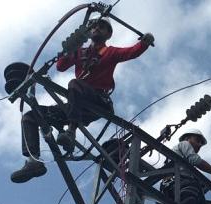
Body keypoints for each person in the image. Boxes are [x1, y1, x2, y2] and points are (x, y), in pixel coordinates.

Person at [11, 18, 155, 183]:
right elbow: (61, 66)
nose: (96, 29)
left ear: (108, 34)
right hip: (77, 103)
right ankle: (33, 161)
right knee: (31, 116)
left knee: (75, 84)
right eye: (94, 26)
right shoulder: (80, 52)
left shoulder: (111, 52)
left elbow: (131, 52)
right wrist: (70, 48)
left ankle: (71, 131)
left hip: (98, 101)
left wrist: (145, 42)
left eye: (101, 27)